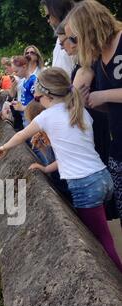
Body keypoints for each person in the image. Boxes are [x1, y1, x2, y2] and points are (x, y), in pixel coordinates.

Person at [0, 68, 122, 271]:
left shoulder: (46, 117)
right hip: (103, 178)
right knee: (102, 234)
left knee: (101, 240)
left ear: (43, 94)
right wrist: (46, 168)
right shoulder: (79, 111)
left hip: (85, 185)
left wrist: (3, 147)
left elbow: (20, 136)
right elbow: (72, 153)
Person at [67, 0, 122, 225]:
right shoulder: (98, 59)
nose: (73, 43)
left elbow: (109, 96)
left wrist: (104, 95)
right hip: (118, 147)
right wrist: (90, 102)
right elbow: (111, 108)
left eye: (74, 38)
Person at [40, 0, 75, 77]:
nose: (48, 21)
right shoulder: (58, 40)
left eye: (48, 16)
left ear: (57, 12)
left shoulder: (76, 36)